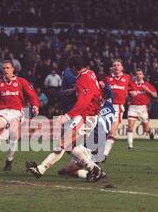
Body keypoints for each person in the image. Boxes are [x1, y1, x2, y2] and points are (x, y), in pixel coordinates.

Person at [26, 55, 106, 183]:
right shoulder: (90, 73)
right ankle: (94, 168)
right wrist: (74, 90)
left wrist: (68, 116)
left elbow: (83, 102)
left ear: (74, 67)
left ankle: (41, 169)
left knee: (62, 145)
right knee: (69, 147)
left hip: (85, 117)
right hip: (88, 116)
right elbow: (91, 89)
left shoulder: (82, 79)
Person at [0, 60, 39, 171]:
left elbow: (32, 95)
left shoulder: (21, 82)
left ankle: (9, 160)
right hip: (2, 112)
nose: (5, 70)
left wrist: (35, 106)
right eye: (4, 68)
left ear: (13, 69)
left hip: (17, 112)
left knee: (14, 133)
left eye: (7, 68)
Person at [103, 59, 137, 160]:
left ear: (122, 67)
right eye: (114, 65)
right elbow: (101, 92)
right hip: (106, 107)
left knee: (111, 131)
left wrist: (133, 92)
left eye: (118, 65)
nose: (116, 67)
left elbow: (133, 88)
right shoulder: (107, 79)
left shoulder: (127, 78)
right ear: (112, 68)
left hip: (118, 108)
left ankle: (104, 154)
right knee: (103, 130)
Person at [126, 68, 158, 150]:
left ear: (143, 75)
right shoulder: (132, 84)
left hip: (143, 108)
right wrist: (129, 93)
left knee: (146, 129)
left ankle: (150, 132)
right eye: (137, 74)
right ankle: (130, 146)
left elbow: (155, 95)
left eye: (140, 74)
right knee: (130, 126)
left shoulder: (147, 85)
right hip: (133, 107)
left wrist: (148, 91)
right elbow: (125, 92)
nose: (138, 75)